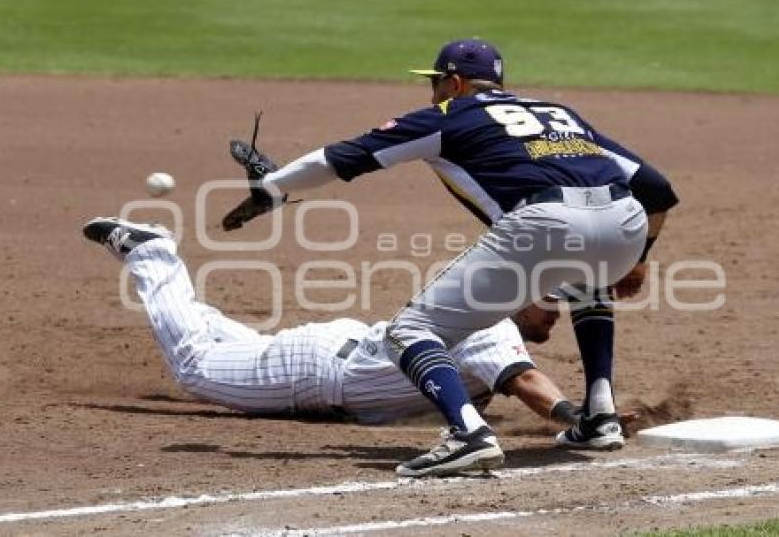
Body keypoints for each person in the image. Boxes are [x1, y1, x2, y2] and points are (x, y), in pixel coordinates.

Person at [220, 39, 678, 476]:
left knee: (410, 331)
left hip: (547, 222)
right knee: (588, 279)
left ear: (455, 84)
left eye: (436, 81)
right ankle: (600, 416)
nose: (432, 90)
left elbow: (346, 157)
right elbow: (656, 187)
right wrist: (638, 258)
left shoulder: (449, 116)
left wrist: (273, 188)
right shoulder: (558, 114)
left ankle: (468, 434)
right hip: (625, 223)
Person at [82, 217, 578, 428]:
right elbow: (530, 383)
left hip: (337, 352)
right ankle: (150, 254)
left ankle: (193, 309)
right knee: (193, 364)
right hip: (316, 374)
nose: (557, 311)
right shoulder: (490, 325)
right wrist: (577, 421)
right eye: (549, 300)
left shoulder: (484, 308)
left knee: (250, 348)